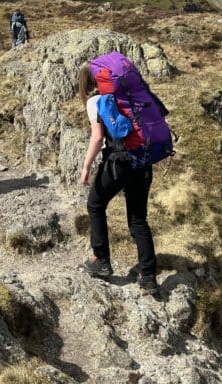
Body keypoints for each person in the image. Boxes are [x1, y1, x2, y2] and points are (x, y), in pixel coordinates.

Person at [77, 63, 160, 299]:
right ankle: (148, 276)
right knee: (138, 219)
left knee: (95, 204)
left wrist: (85, 168)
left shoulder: (95, 101)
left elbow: (97, 138)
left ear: (87, 83)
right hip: (142, 161)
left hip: (118, 163)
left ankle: (101, 259)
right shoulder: (129, 97)